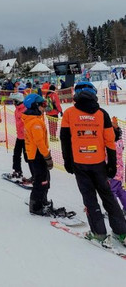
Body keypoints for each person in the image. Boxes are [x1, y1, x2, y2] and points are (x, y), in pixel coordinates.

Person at [60, 81, 126, 245]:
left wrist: (67, 161)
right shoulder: (102, 113)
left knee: (89, 198)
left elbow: (65, 140)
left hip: (79, 163)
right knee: (108, 196)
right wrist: (112, 164)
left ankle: (98, 233)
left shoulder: (69, 113)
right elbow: (110, 140)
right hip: (98, 164)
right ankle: (122, 232)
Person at [22, 94, 55, 215]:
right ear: (35, 106)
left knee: (44, 179)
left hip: (36, 154)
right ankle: (35, 207)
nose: (44, 108)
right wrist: (47, 156)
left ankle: (42, 201)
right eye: (43, 105)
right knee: (41, 181)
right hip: (38, 155)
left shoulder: (34, 119)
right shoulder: (35, 122)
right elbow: (39, 142)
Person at [8, 92, 32, 181]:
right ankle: (17, 170)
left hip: (27, 137)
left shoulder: (25, 109)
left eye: (14, 101)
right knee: (16, 154)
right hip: (19, 136)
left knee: (28, 157)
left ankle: (35, 174)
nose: (13, 103)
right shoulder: (16, 110)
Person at [108, 117, 126, 213]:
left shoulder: (111, 146)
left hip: (113, 172)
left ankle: (114, 210)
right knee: (120, 190)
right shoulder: (119, 142)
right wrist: (116, 127)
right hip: (120, 171)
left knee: (111, 192)